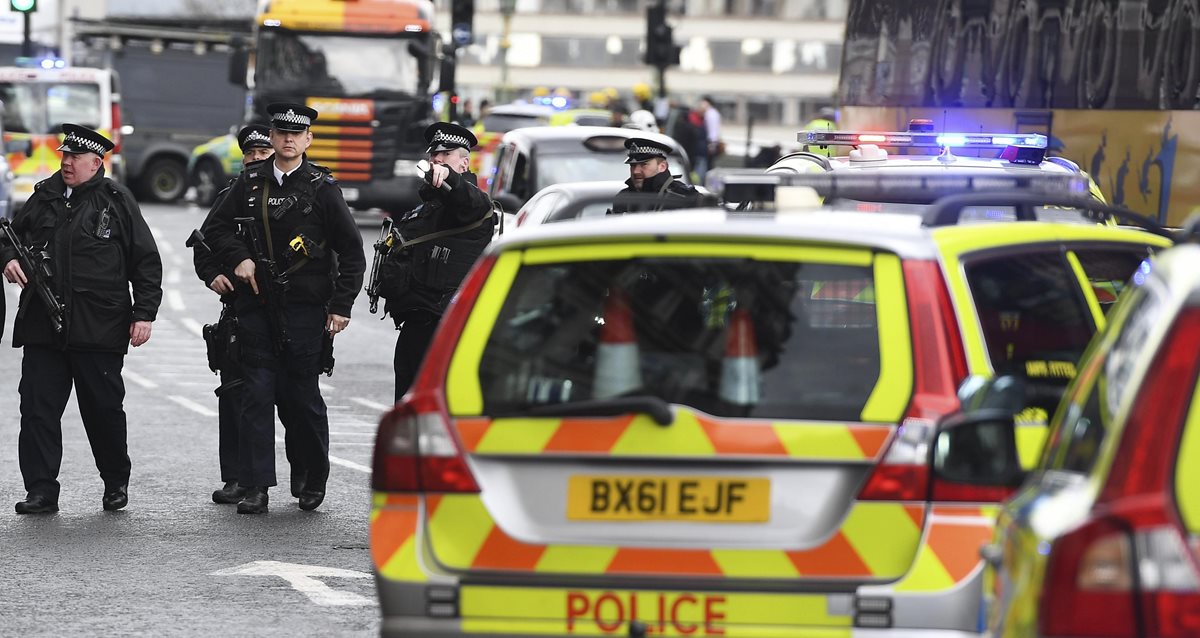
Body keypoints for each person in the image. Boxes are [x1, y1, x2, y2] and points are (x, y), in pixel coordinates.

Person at [201, 103, 365, 514]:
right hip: (256, 305)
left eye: (297, 133)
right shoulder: (250, 182)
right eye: (281, 132)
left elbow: (351, 251)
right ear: (271, 138)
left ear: (308, 139)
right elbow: (215, 230)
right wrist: (239, 257)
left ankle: (312, 476)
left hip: (307, 310)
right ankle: (257, 485)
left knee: (301, 398)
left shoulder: (323, 188)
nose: (288, 139)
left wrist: (341, 305)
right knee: (255, 394)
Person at [1, 123, 162, 514]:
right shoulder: (44, 197)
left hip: (99, 326)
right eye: (65, 156)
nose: (67, 163)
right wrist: (7, 257)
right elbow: (8, 235)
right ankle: (41, 490)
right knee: (37, 409)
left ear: (96, 162)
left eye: (75, 158)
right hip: (43, 323)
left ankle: (114, 481)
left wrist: (143, 314)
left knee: (103, 410)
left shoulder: (116, 201)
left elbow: (145, 262)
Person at [191, 124, 312, 505]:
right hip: (241, 310)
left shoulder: (302, 192)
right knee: (237, 395)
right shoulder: (233, 195)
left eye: (263, 155)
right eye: (251, 156)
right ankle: (240, 478)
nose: (257, 161)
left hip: (290, 309)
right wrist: (214, 274)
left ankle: (304, 473)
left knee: (294, 397)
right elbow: (205, 242)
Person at [382, 122, 494, 402]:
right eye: (435, 155)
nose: (438, 160)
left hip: (444, 327)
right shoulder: (427, 207)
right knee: (405, 408)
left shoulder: (471, 205)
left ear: (464, 163)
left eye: (447, 155)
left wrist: (451, 180)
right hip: (415, 325)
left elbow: (469, 200)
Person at [609, 137, 703, 215]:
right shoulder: (623, 198)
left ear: (662, 166)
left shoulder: (686, 197)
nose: (636, 171)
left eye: (643, 165)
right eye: (632, 165)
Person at [697, 95, 723, 182]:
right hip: (711, 143)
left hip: (710, 143)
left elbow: (713, 131)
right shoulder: (712, 113)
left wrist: (712, 145)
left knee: (708, 166)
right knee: (708, 165)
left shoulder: (710, 114)